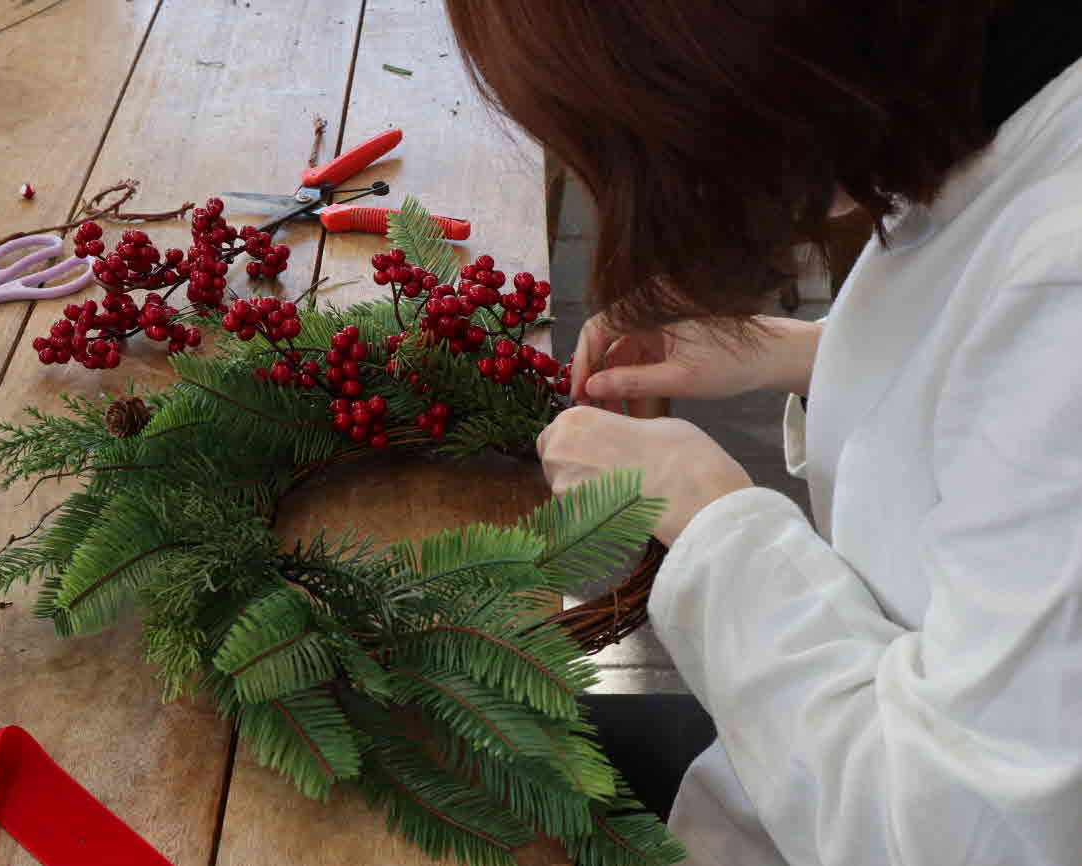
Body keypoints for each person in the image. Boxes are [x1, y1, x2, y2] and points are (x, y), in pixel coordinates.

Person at [445, 2, 1082, 864]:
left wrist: (711, 517)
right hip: (787, 771)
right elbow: (992, 406)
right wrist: (803, 354)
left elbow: (964, 834)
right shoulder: (999, 90)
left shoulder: (1063, 280)